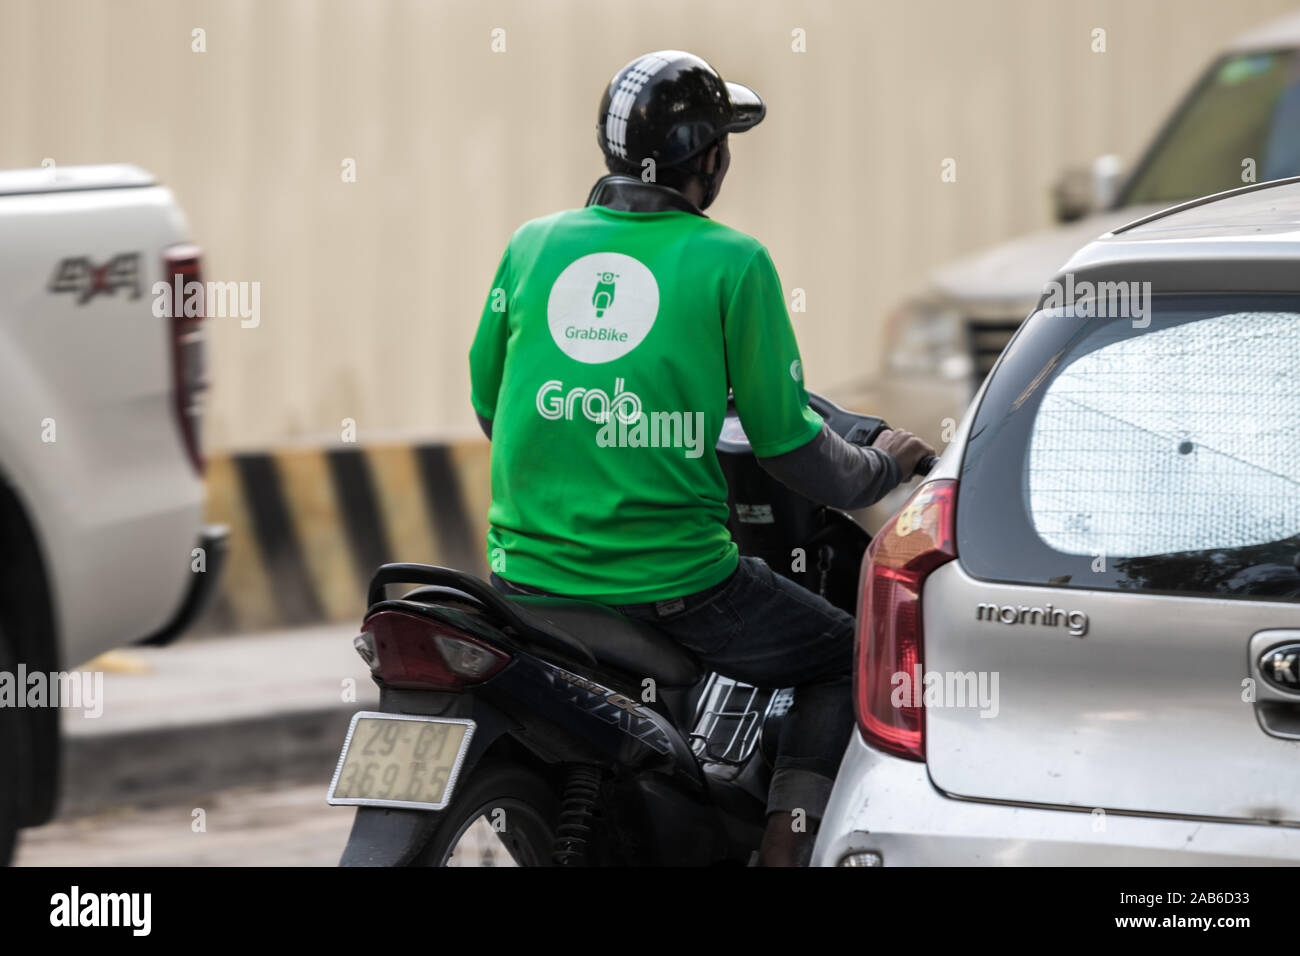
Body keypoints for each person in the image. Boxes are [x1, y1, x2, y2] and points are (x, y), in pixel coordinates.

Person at [468, 50, 934, 865]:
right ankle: (786, 847)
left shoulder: (532, 245)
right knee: (843, 653)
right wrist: (884, 467)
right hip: (677, 584)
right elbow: (791, 446)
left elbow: (489, 404)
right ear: (711, 160)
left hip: (523, 579)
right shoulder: (733, 261)